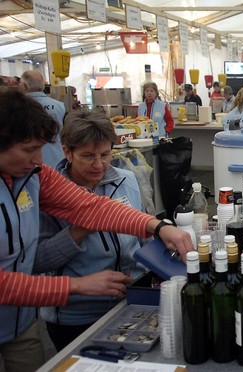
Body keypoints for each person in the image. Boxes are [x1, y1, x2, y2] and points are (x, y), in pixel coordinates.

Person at [0, 89, 193, 372]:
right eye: (29, 149)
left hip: (21, 323)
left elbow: (91, 207)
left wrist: (158, 226)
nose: (39, 159)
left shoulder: (33, 175)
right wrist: (77, 286)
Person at [34, 109, 148, 351]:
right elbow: (38, 260)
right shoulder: (49, 194)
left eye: (105, 154)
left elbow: (143, 234)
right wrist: (81, 229)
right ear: (67, 152)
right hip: (76, 316)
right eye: (87, 156)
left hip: (130, 303)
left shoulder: (126, 180)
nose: (99, 165)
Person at [20, 70, 65, 168]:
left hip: (31, 162)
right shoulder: (59, 105)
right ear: (43, 85)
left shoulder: (18, 107)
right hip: (58, 158)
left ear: (24, 86)